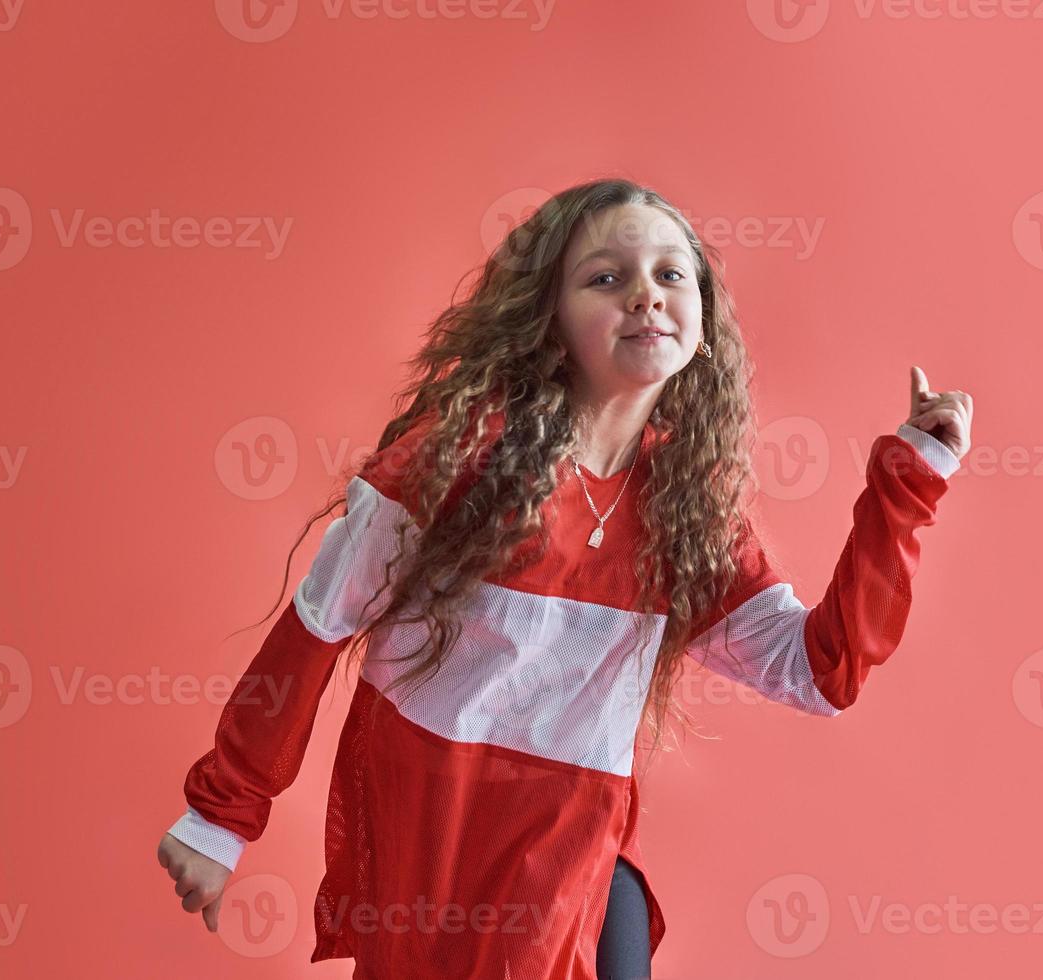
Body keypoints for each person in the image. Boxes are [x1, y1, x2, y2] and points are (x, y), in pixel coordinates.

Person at [156, 178, 973, 978]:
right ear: (548, 321)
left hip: (582, 846)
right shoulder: (449, 461)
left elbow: (818, 670)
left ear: (703, 324)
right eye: (606, 278)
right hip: (438, 842)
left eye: (669, 274)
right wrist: (220, 818)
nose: (646, 296)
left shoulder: (689, 518)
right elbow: (314, 630)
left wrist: (910, 481)